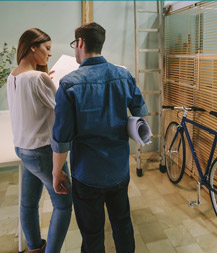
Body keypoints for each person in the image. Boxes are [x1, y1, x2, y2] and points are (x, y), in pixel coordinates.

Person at [51, 22, 148, 253]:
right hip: (118, 170)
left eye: (75, 44)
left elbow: (62, 136)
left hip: (87, 175)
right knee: (122, 224)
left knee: (92, 234)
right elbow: (141, 113)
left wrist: (57, 171)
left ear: (81, 43)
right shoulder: (124, 75)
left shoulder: (68, 84)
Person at [6, 28, 72, 253]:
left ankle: (35, 248)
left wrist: (46, 80)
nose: (49, 54)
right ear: (32, 46)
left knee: (28, 203)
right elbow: (62, 112)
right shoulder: (38, 78)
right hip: (42, 152)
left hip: (23, 149)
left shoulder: (12, 76)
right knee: (63, 205)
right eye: (47, 48)